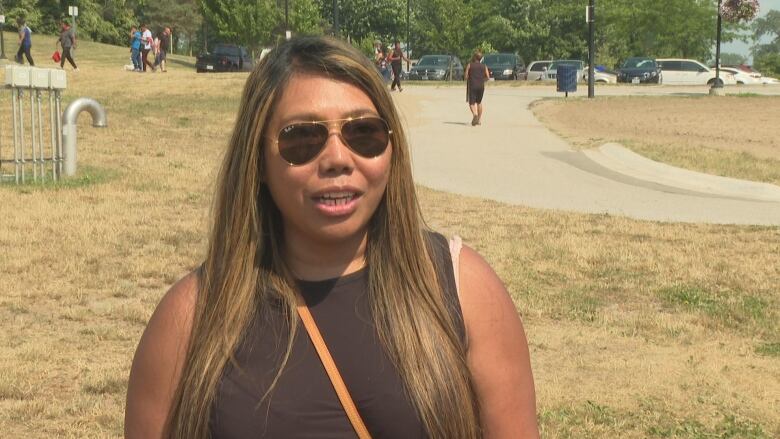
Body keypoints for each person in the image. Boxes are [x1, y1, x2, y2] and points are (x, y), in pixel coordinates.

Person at [124, 36, 538, 439]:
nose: (338, 159)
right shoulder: (191, 318)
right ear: (258, 160)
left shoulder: (464, 288)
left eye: (364, 135)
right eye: (302, 138)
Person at [465, 51, 490, 126]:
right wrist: (482, 80)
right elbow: (488, 77)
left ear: (474, 57)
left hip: (472, 85)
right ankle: (478, 120)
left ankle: (475, 114)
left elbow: (466, 76)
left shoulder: (470, 65)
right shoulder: (484, 66)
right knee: (479, 102)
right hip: (481, 86)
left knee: (471, 103)